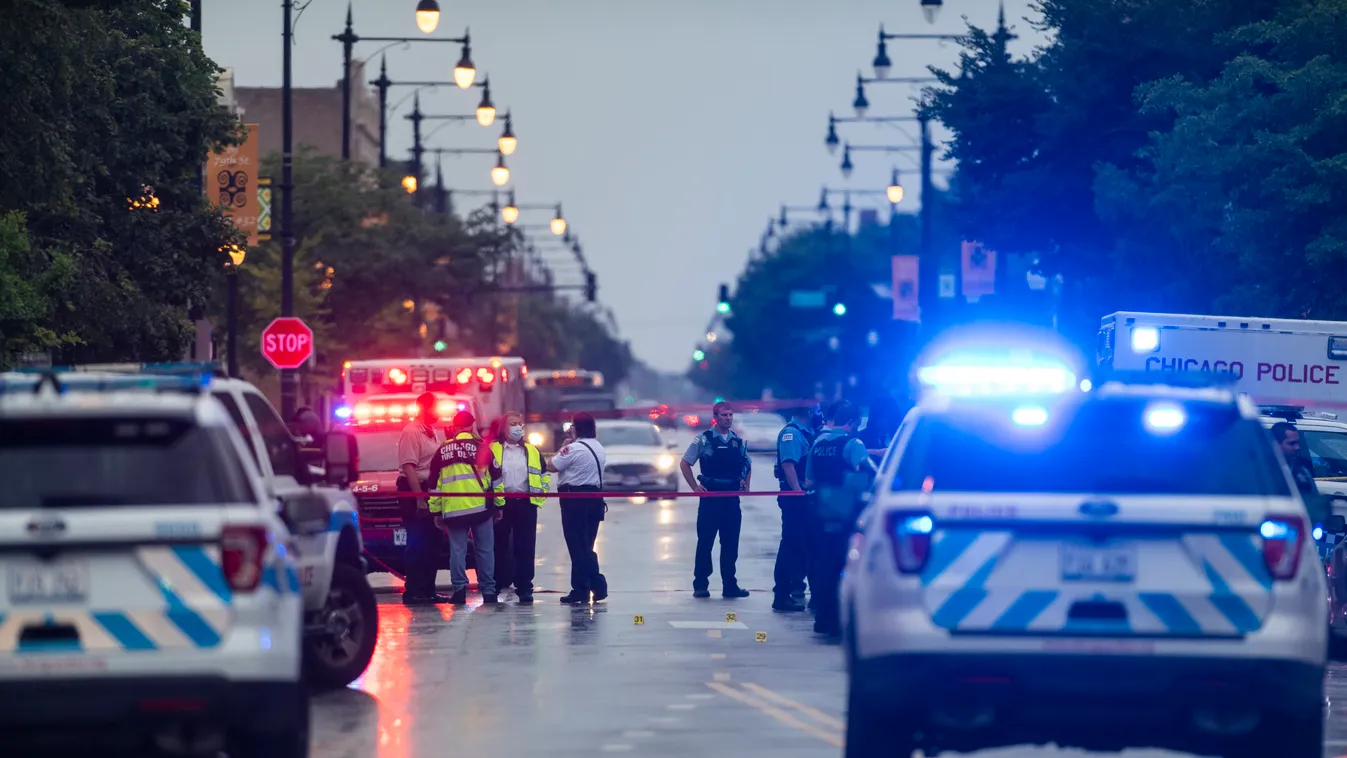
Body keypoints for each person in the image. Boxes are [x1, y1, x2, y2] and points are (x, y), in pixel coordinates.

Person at [806, 401, 874, 638]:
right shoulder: (853, 444)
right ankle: (838, 621)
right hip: (845, 514)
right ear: (853, 422)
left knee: (823, 564)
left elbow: (809, 482)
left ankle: (822, 618)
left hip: (819, 512)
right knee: (843, 567)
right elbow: (869, 474)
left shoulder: (817, 445)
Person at [428, 410, 500, 605]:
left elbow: (433, 483)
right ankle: (489, 591)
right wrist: (499, 504)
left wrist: (436, 510)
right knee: (485, 550)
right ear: (472, 425)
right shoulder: (482, 447)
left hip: (453, 510)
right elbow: (497, 478)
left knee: (457, 551)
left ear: (455, 426)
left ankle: (459, 591)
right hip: (480, 509)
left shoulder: (442, 450)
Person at [680, 401, 752, 599]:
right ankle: (700, 585)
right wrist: (695, 487)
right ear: (716, 417)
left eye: (730, 415)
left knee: (730, 544)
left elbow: (747, 463)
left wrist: (746, 485)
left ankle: (730, 586)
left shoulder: (737, 441)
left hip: (731, 500)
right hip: (710, 500)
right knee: (705, 543)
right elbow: (685, 463)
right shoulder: (703, 440)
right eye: (724, 415)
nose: (728, 418)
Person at [548, 412, 608, 604]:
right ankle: (590, 587)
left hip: (574, 501)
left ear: (575, 428)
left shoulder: (573, 449)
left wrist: (563, 446)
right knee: (586, 545)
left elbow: (551, 466)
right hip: (595, 500)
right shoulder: (599, 447)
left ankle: (589, 587)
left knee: (577, 546)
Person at [490, 412, 550, 605]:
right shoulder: (493, 450)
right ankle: (497, 584)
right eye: (513, 424)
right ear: (503, 428)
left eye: (520, 424)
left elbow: (543, 474)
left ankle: (525, 587)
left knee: (525, 546)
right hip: (501, 504)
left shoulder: (531, 450)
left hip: (525, 503)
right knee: (499, 546)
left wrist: (541, 494)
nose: (517, 427)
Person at [396, 393, 449, 605]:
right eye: (435, 408)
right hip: (414, 490)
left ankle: (429, 590)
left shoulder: (432, 432)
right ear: (424, 408)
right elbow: (409, 467)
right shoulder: (411, 432)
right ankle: (414, 591)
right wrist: (419, 499)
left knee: (433, 543)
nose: (438, 412)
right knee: (418, 543)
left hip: (431, 490)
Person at [772, 404, 819, 612]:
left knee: (803, 544)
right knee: (790, 545)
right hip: (794, 499)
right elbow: (788, 465)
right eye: (817, 411)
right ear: (809, 413)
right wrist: (798, 491)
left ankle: (795, 588)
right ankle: (781, 594)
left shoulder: (808, 433)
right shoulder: (791, 434)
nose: (820, 415)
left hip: (804, 498)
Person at [1271, 421, 1327, 526]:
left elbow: (1313, 499)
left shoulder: (1302, 471)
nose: (1297, 447)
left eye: (1297, 443)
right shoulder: (1263, 471)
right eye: (1291, 443)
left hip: (1299, 527)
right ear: (1275, 444)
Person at [859, 395, 900, 465]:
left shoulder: (899, 437)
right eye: (883, 418)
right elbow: (856, 453)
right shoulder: (862, 437)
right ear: (875, 417)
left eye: (890, 418)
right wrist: (877, 452)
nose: (886, 423)